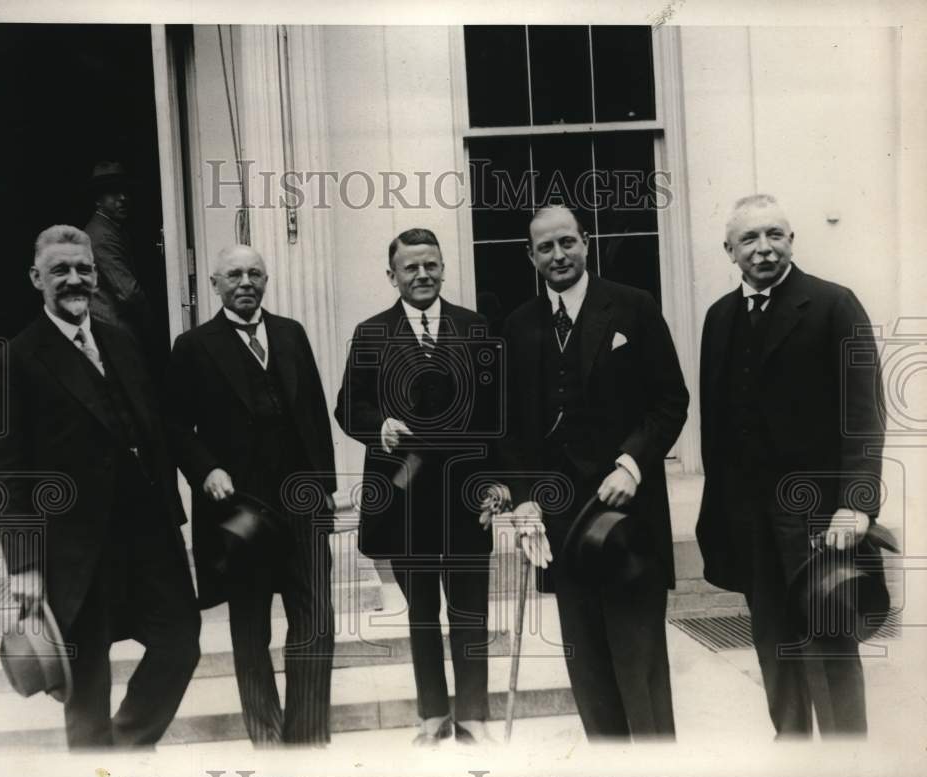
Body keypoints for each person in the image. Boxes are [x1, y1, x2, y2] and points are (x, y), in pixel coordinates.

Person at [485, 204, 688, 740]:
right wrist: (525, 498)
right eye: (546, 247)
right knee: (589, 668)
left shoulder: (633, 307)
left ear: (586, 243)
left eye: (567, 242)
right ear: (531, 256)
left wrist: (631, 463)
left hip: (629, 516)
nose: (558, 255)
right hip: (560, 524)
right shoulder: (519, 325)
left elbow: (670, 400)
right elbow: (508, 427)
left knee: (638, 662)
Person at [0, 225, 200, 749]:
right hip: (76, 550)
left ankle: (129, 747)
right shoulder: (18, 357)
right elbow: (5, 474)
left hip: (149, 536)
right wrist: (23, 566)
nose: (74, 279)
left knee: (180, 642)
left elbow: (153, 427)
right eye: (60, 270)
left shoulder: (120, 339)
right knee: (86, 687)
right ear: (35, 278)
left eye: (83, 268)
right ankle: (95, 771)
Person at [695, 194, 885, 737]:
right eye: (750, 239)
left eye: (775, 234)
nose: (764, 248)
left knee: (829, 645)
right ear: (729, 250)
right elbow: (717, 428)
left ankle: (849, 764)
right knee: (773, 645)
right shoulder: (719, 318)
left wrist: (856, 505)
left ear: (792, 240)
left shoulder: (832, 305)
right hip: (750, 519)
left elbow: (863, 415)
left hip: (819, 517)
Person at [166, 244, 336, 746]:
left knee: (315, 622)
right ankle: (266, 735)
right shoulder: (193, 345)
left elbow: (314, 416)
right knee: (250, 626)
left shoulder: (291, 334)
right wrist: (207, 469)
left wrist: (324, 488)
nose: (246, 281)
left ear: (266, 281)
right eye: (235, 274)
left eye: (255, 273)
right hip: (239, 510)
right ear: (215, 283)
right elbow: (174, 426)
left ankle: (306, 737)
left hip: (301, 504)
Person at [335, 228, 499, 745]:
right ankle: (433, 716)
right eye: (411, 267)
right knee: (423, 613)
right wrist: (376, 426)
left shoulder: (475, 329)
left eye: (431, 265)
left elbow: (501, 413)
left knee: (470, 611)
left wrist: (499, 482)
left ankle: (473, 717)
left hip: (466, 499)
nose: (422, 274)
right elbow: (348, 405)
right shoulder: (370, 334)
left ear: (444, 269)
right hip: (404, 500)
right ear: (393, 276)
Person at [84, 161, 160, 368]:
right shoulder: (101, 235)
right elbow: (129, 292)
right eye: (113, 193)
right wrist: (154, 325)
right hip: (113, 331)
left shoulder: (112, 228)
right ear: (98, 200)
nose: (123, 198)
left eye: (125, 192)